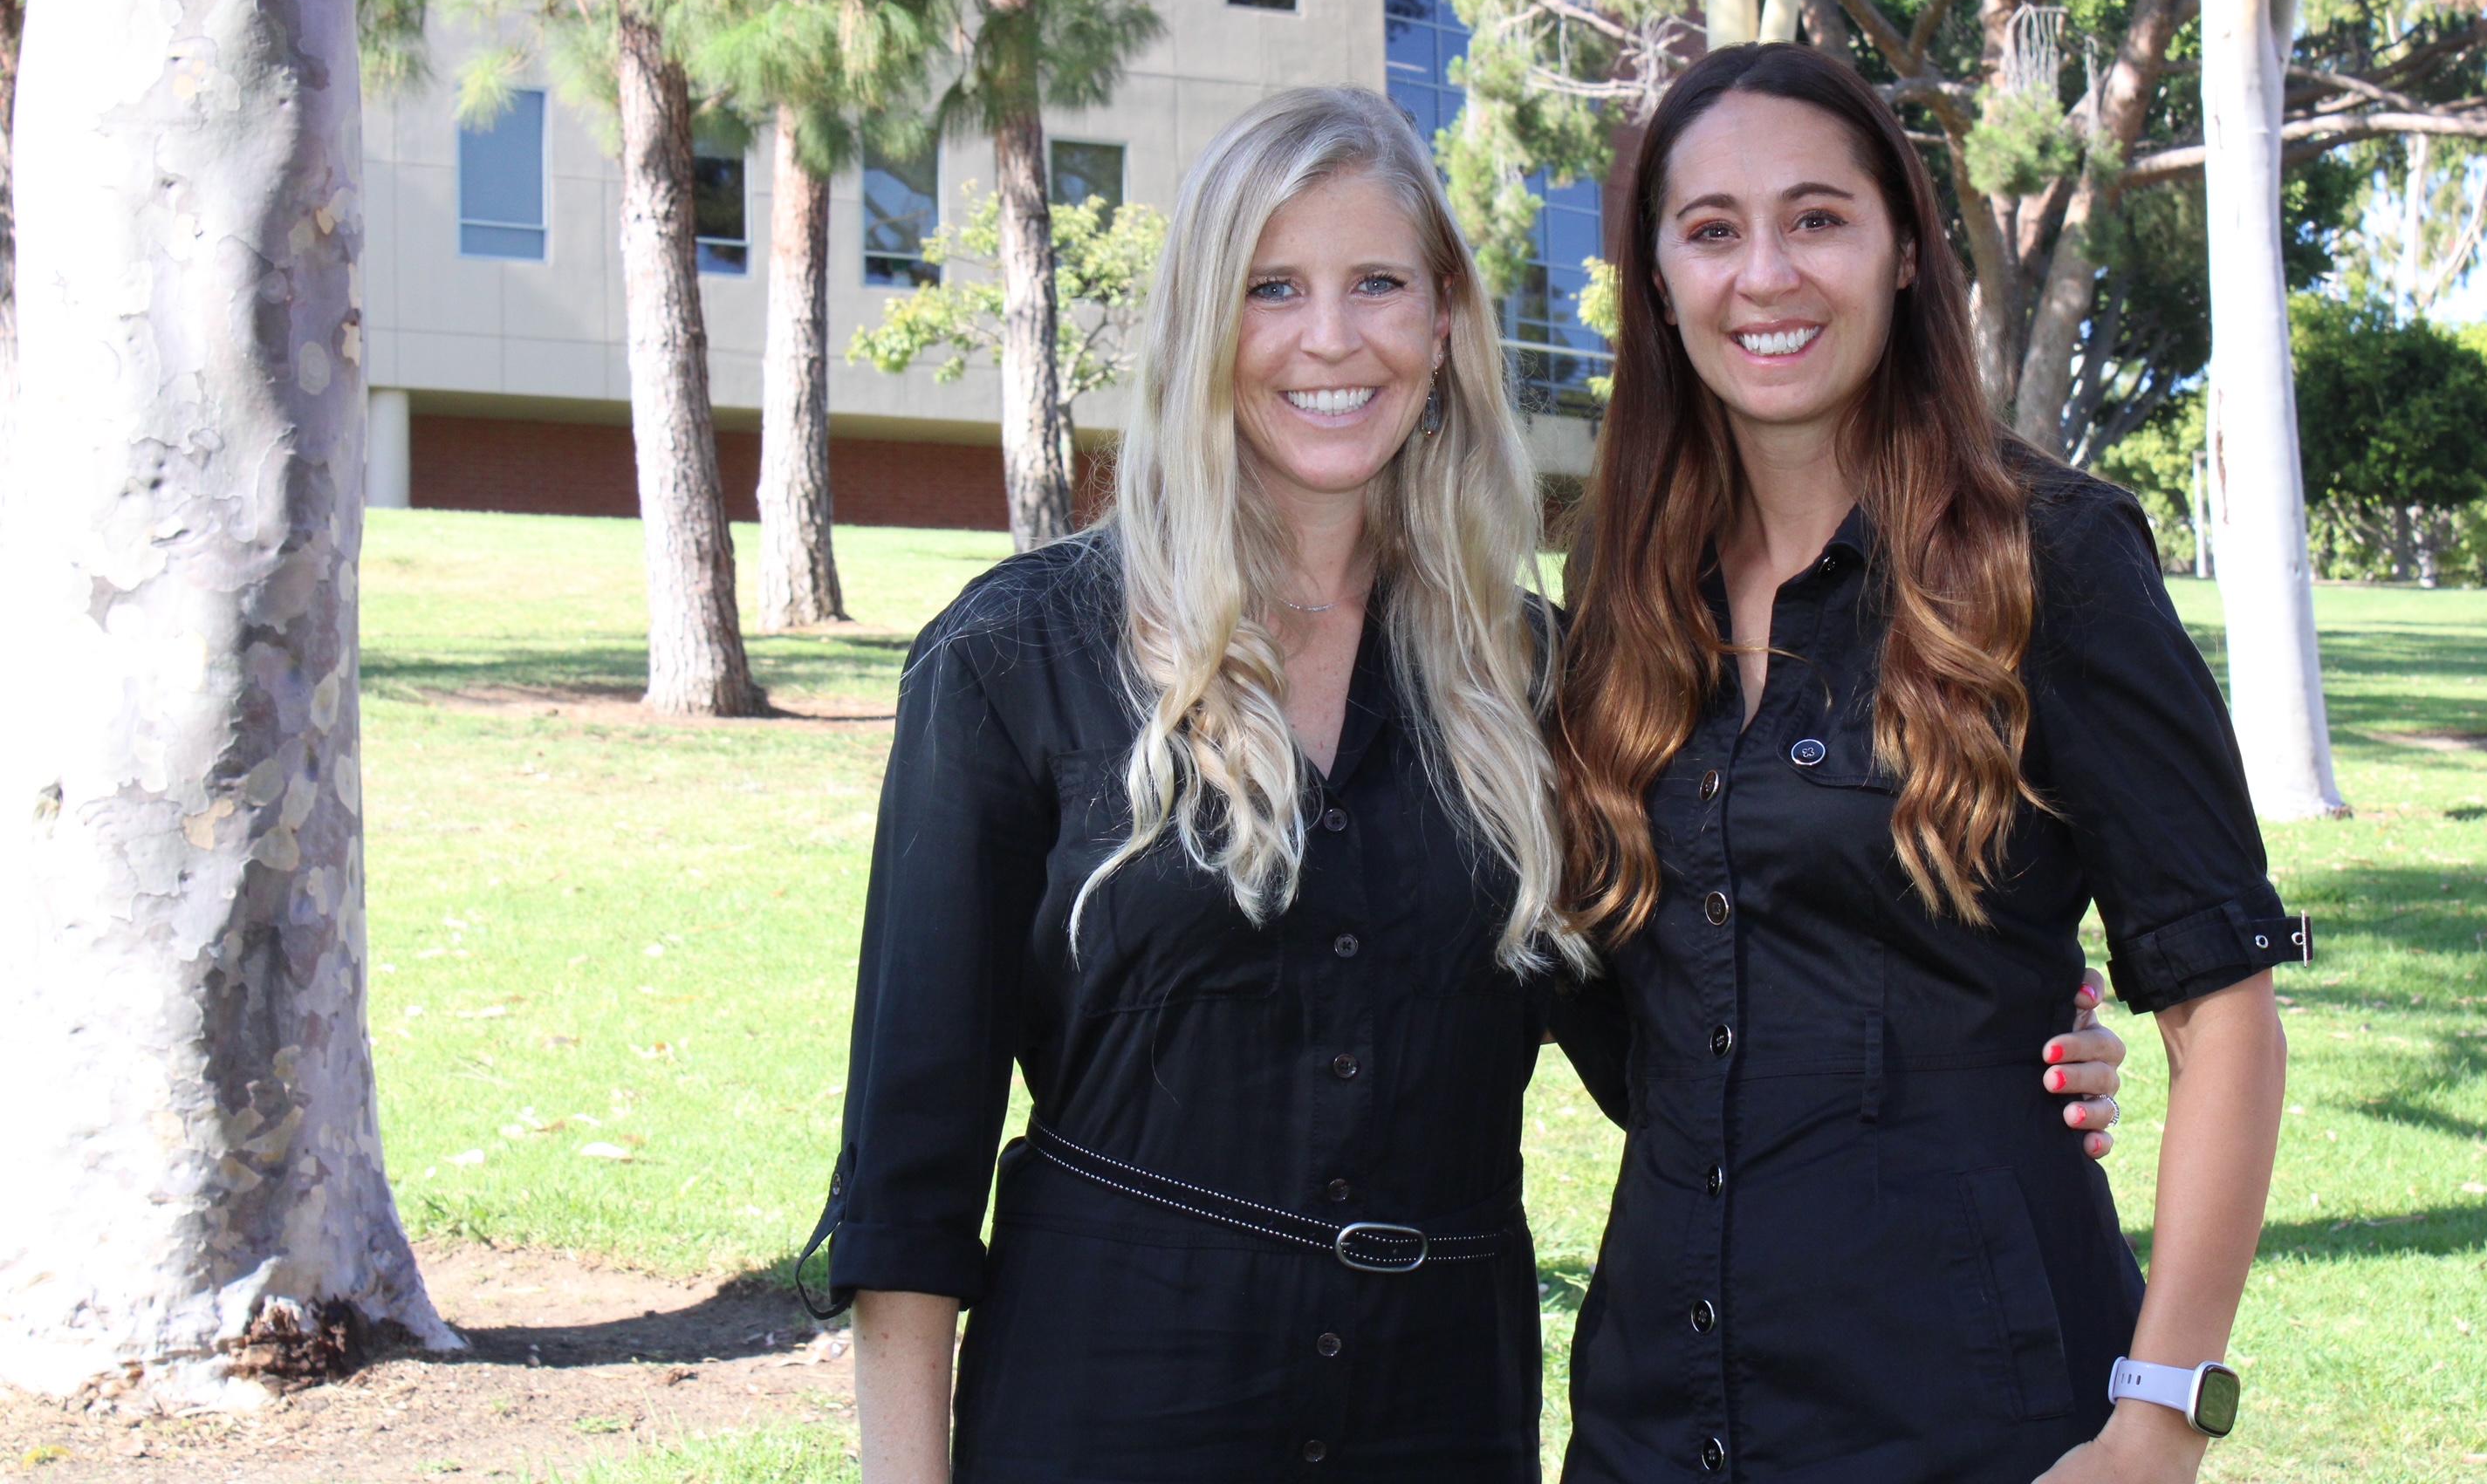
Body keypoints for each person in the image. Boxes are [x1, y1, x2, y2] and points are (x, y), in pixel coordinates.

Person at [807, 85, 2126, 1484]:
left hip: (1441, 1417)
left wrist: (1979, 1048)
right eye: (1273, 287)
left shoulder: (1540, 678)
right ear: (1204, 324)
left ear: (1444, 323)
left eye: (1377, 282)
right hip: (1110, 1408)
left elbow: (1684, 1040)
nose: (1332, 338)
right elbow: (911, 1168)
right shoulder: (1014, 662)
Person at [1548, 42, 2299, 1484]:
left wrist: (2158, 1418)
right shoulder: (1621, 599)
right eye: (1711, 231)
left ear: (1902, 252)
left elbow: (2227, 1014)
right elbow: (1640, 1009)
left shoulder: (2047, 557)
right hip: (1659, 1413)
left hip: (1973, 1414)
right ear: (1656, 279)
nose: (1765, 273)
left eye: (1817, 217)